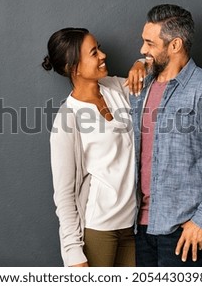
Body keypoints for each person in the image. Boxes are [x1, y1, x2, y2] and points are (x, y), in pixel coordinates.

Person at [125, 4, 202, 266]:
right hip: (141, 227)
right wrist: (139, 63)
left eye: (149, 43)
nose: (143, 50)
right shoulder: (141, 87)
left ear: (175, 45)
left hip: (183, 230)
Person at [42, 28, 136, 267]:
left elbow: (152, 79)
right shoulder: (68, 118)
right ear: (73, 67)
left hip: (131, 227)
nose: (103, 55)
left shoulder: (115, 88)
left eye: (99, 48)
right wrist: (73, 252)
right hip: (98, 229)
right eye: (94, 52)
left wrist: (141, 64)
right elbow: (63, 194)